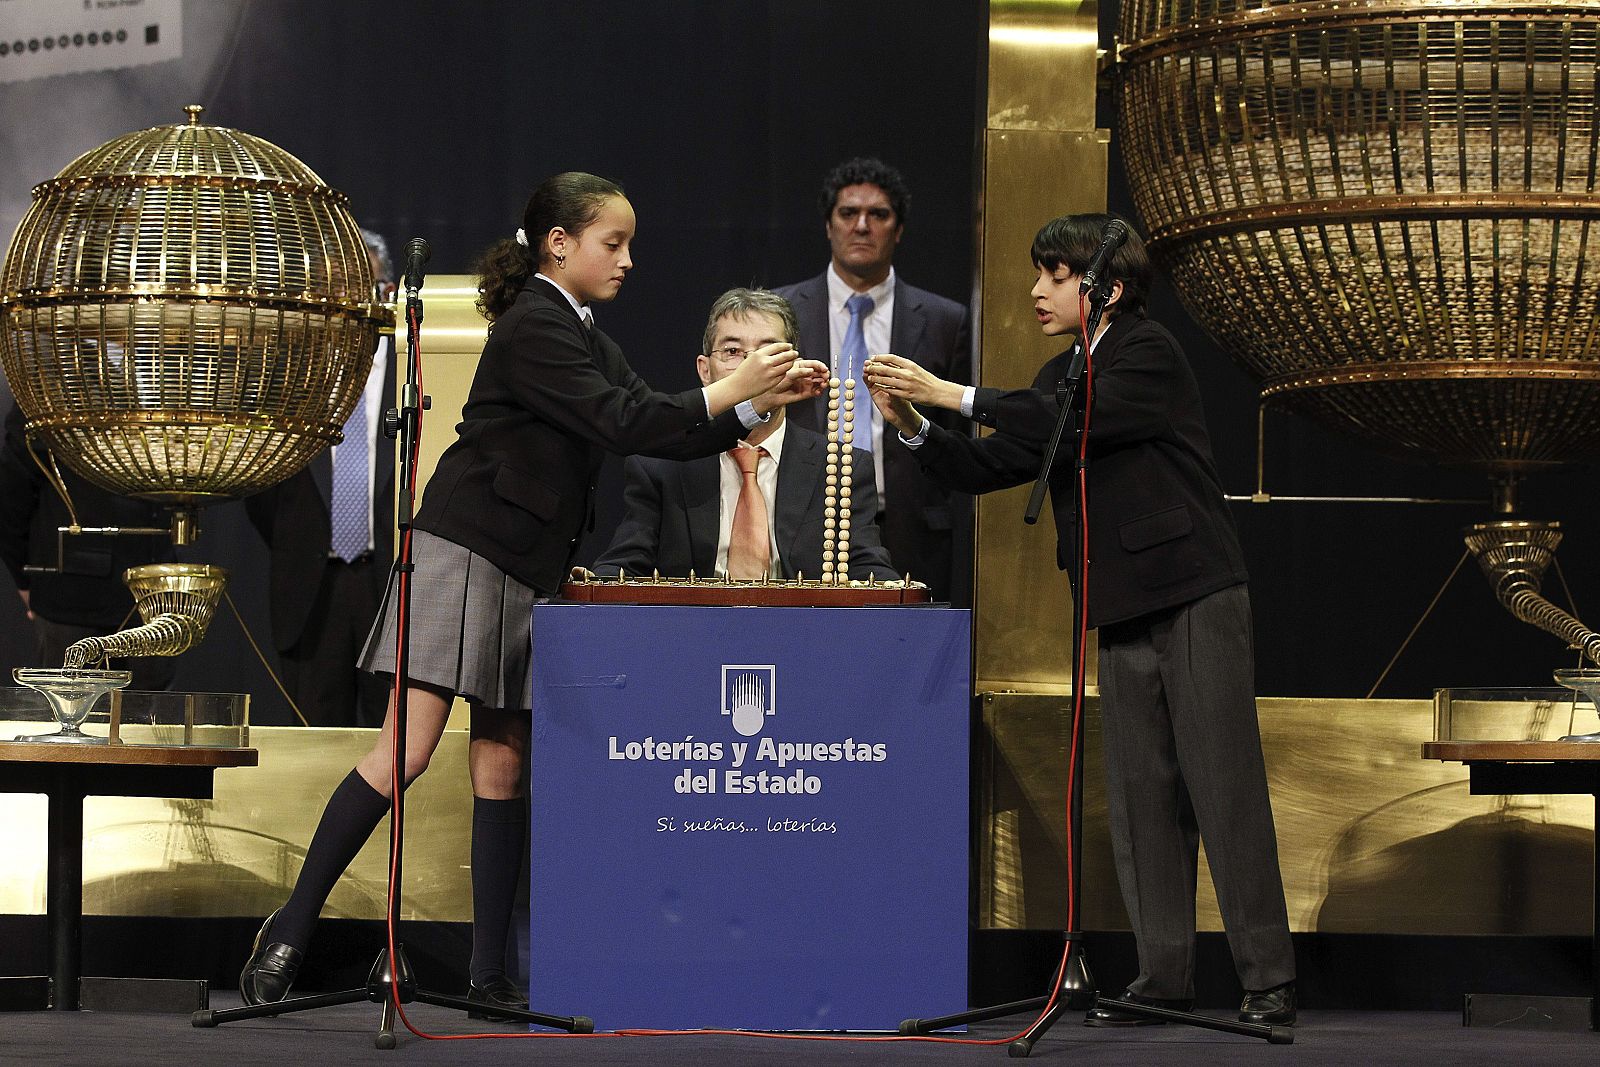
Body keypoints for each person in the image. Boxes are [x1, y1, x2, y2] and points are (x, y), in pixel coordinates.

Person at [237, 172, 827, 1013]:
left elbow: (658, 421)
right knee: (406, 750)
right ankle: (291, 926)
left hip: (526, 563)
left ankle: (489, 973)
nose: (627, 260)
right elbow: (621, 423)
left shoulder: (586, 334)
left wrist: (753, 403)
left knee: (503, 761)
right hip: (465, 547)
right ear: (559, 244)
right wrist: (739, 386)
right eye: (612, 243)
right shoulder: (534, 323)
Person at [863, 213, 1297, 1027]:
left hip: (1193, 590)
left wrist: (950, 392)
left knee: (1222, 785)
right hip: (1120, 601)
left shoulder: (1145, 352)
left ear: (1108, 288)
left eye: (1054, 275)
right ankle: (1164, 974)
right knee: (1139, 795)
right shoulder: (1059, 375)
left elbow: (1088, 414)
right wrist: (917, 425)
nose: (1036, 290)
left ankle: (1268, 977)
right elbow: (991, 461)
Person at [592, 288, 897, 584]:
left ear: (797, 365)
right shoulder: (660, 465)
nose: (753, 367)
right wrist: (594, 584)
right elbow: (624, 566)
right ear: (705, 371)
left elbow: (867, 570)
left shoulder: (840, 467)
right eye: (732, 352)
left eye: (769, 352)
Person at [773, 157, 971, 602]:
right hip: (800, 519)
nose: (862, 226)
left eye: (878, 214)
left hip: (909, 528)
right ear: (829, 225)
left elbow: (954, 436)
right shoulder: (779, 312)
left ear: (898, 229)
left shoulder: (944, 320)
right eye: (848, 213)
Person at [244, 228, 397, 727]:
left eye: (362, 288)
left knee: (393, 741)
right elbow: (261, 486)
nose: (346, 304)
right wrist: (301, 538)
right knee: (316, 738)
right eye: (334, 290)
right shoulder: (287, 376)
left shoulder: (415, 372)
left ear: (387, 294)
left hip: (392, 586)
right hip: (310, 590)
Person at [0, 401, 176, 691]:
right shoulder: (47, 390)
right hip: (73, 598)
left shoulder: (166, 385)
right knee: (72, 713)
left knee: (147, 717)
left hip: (153, 598)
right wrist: (24, 578)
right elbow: (11, 497)